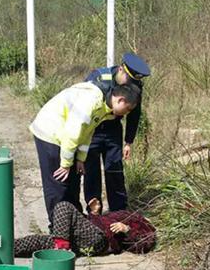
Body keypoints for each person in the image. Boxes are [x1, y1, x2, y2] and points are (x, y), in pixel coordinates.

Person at [29, 82, 141, 228]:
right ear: (120, 100)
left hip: (66, 135)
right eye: (127, 109)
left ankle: (74, 225)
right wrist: (65, 164)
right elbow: (72, 134)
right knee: (59, 183)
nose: (126, 114)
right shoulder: (91, 102)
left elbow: (87, 133)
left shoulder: (104, 108)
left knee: (74, 180)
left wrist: (80, 159)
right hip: (50, 132)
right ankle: (58, 230)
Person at [0, 198, 156, 258]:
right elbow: (99, 223)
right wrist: (95, 213)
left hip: (100, 241)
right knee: (37, 241)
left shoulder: (142, 224)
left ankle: (61, 247)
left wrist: (127, 230)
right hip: (87, 235)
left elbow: (145, 243)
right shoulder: (126, 213)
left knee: (63, 207)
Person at [84, 53, 151, 213]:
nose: (131, 87)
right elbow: (82, 107)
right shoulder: (100, 78)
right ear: (121, 70)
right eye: (130, 81)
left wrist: (128, 142)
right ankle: (95, 212)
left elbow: (134, 114)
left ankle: (119, 212)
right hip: (92, 129)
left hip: (113, 129)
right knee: (91, 171)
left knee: (114, 169)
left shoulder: (134, 87)